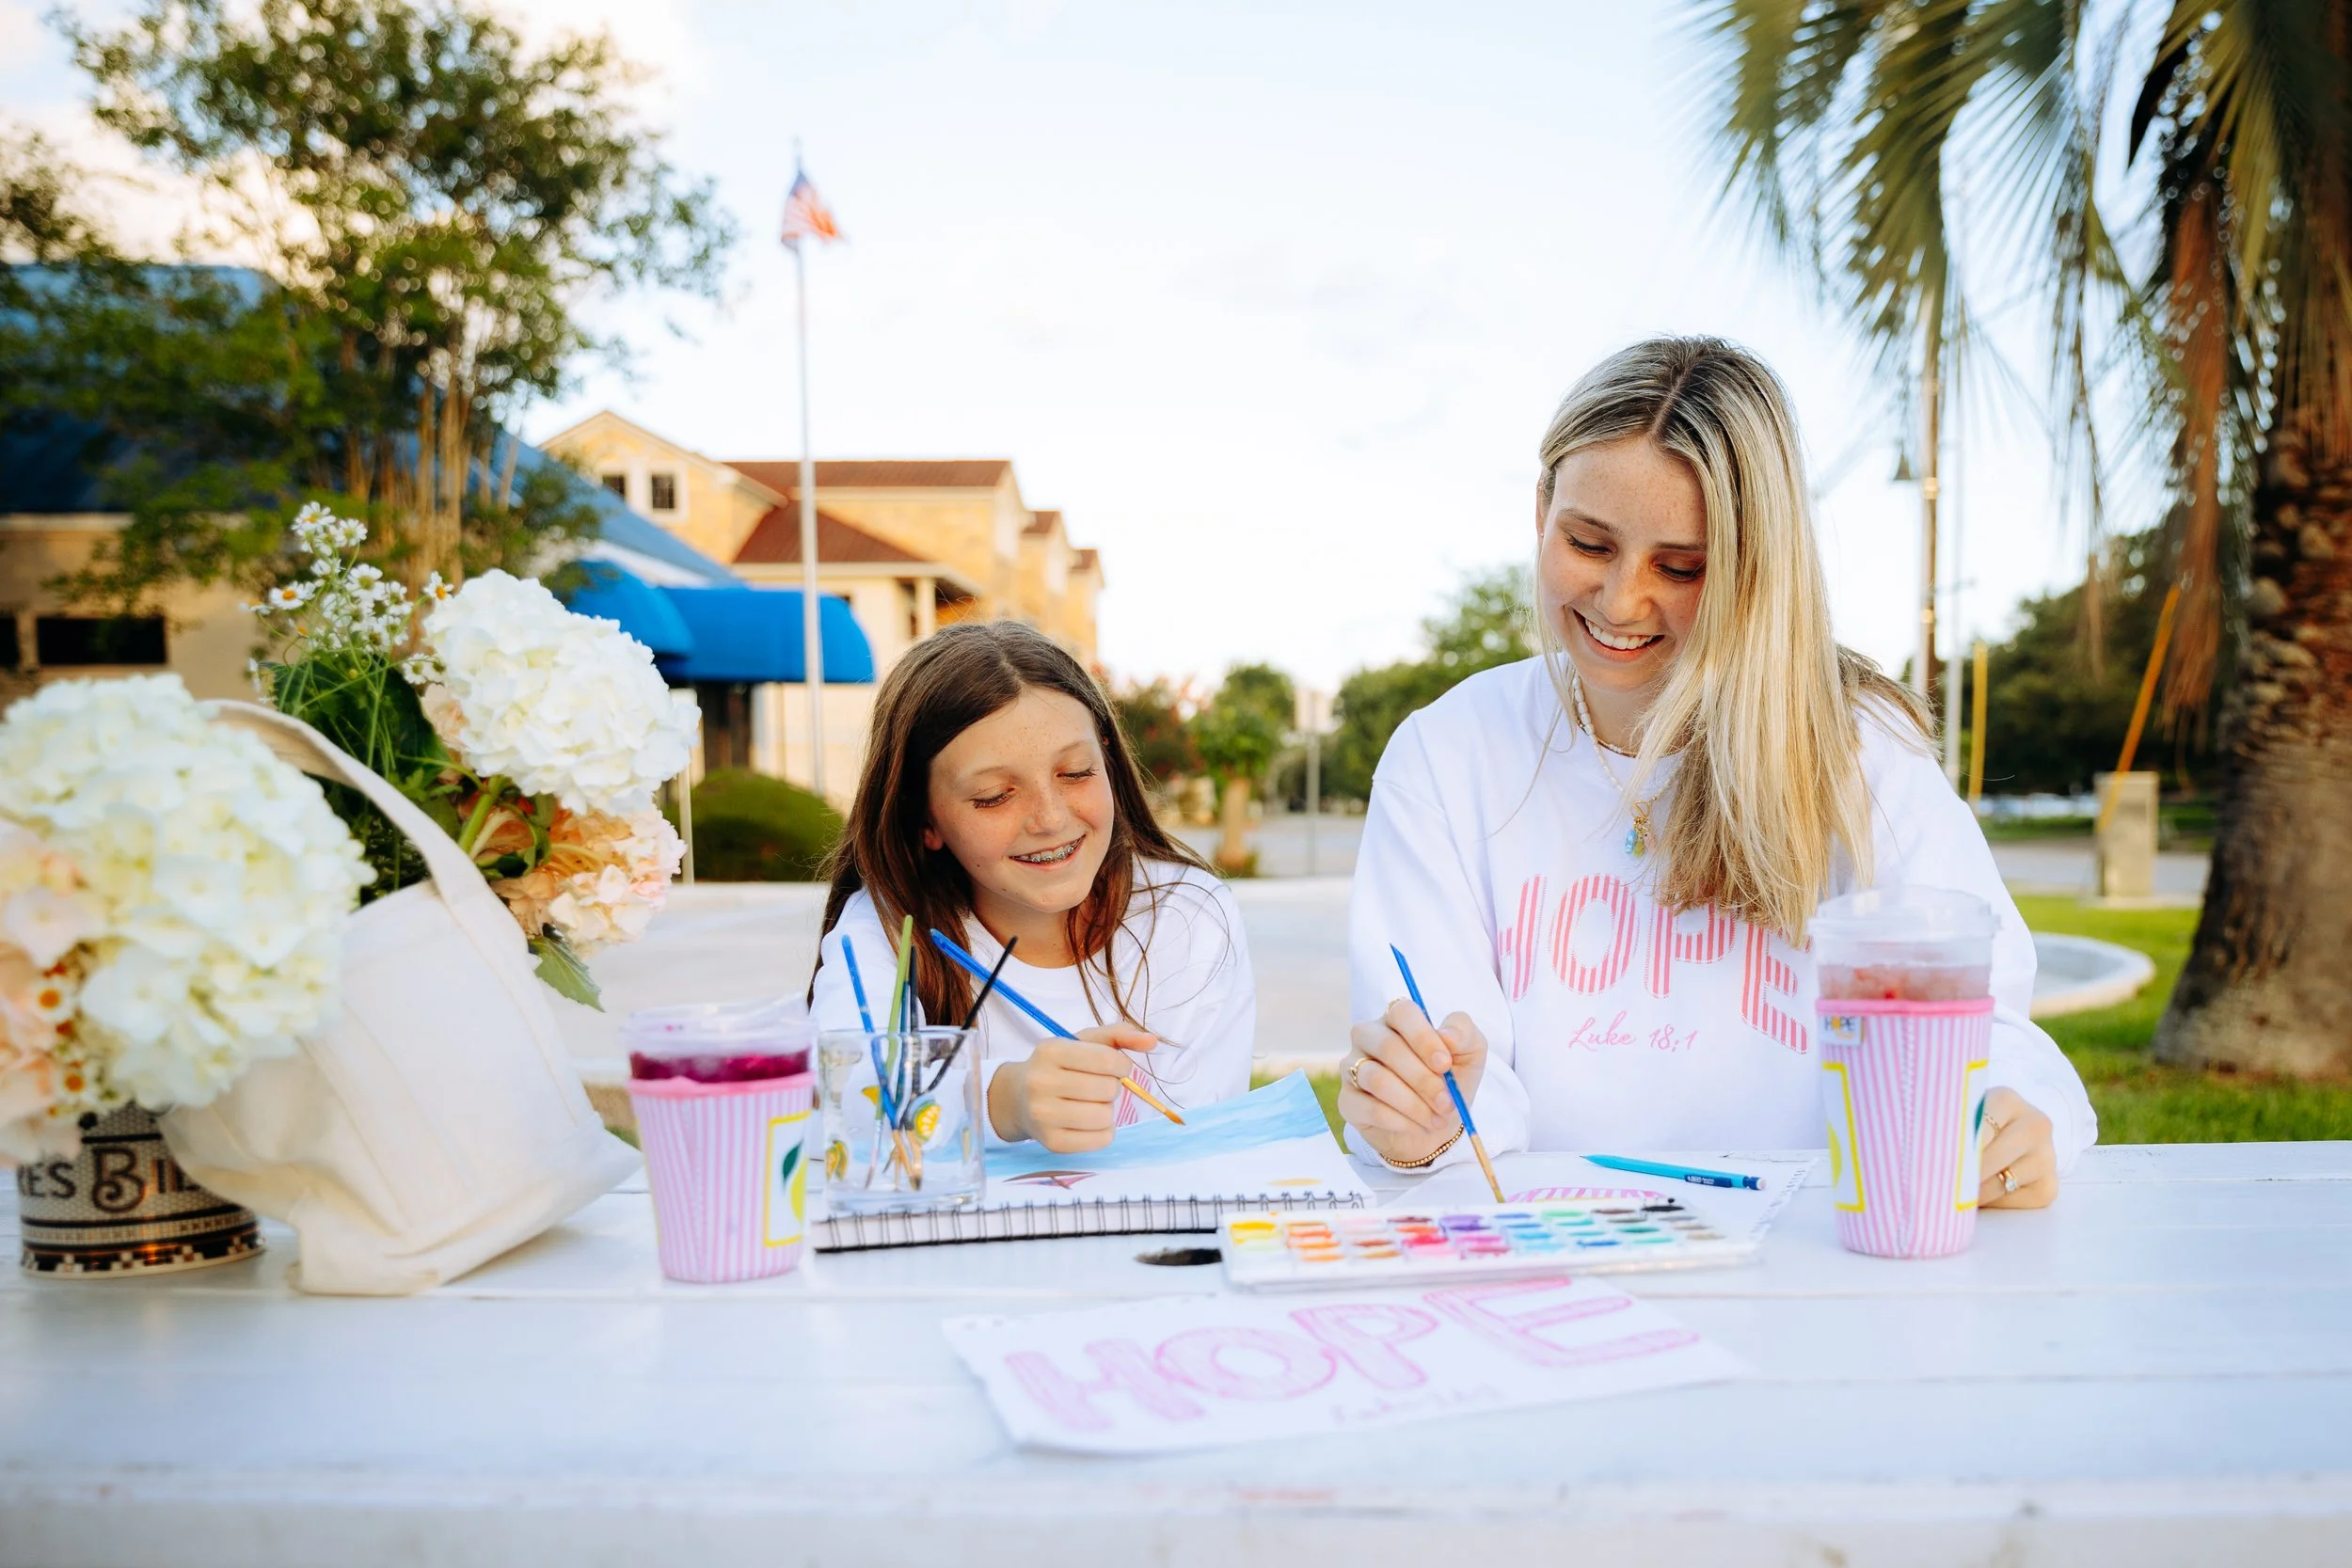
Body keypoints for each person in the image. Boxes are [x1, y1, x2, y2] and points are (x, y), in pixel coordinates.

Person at [1340, 337, 2094, 1208]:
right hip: (1546, 1263)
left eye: (1681, 567)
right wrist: (1426, 1117)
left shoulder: (1858, 747)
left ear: (1753, 568)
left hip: (1813, 1266)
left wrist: (2014, 1109)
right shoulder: (1446, 755)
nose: (1621, 601)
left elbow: (1986, 1014)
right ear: (1541, 508)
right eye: (1589, 543)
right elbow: (1456, 1078)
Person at [812, 621, 1253, 1152]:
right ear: (923, 819)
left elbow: (1205, 1136)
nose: (1049, 818)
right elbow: (839, 1094)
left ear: (1108, 762)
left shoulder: (1188, 915)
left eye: (1075, 773)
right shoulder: (886, 930)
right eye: (995, 796)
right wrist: (1003, 1098)